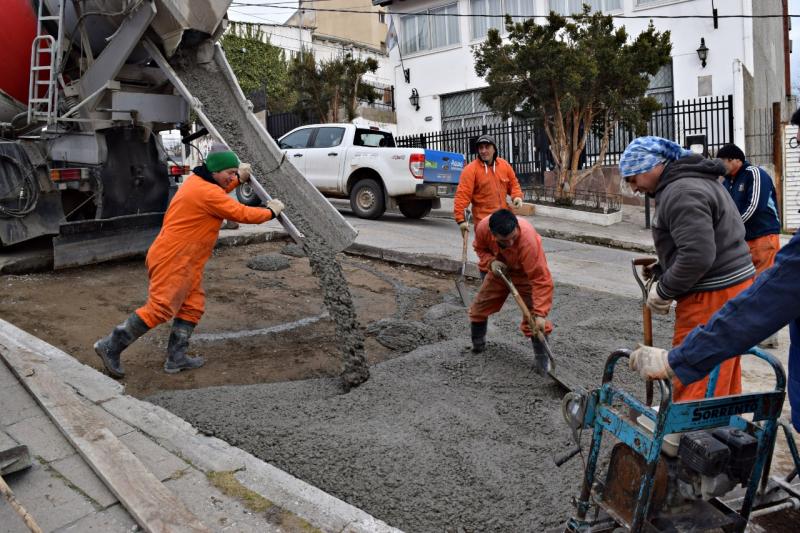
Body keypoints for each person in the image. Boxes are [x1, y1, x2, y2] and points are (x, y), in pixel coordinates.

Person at [94, 148, 284, 377]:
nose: (232, 178)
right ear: (215, 170)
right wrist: (270, 212)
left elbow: (218, 193)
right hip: (174, 259)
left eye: (235, 174)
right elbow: (240, 212)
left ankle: (176, 358)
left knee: (192, 306)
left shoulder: (200, 182)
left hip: (185, 260)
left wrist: (237, 180)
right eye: (230, 173)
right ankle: (110, 346)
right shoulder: (207, 192)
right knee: (160, 308)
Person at [619, 136, 756, 401]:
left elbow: (698, 255)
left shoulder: (681, 191)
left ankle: (691, 436)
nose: (634, 188)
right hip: (729, 284)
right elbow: (705, 240)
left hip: (712, 292)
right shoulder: (694, 181)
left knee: (694, 366)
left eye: (634, 179)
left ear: (653, 166)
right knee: (721, 367)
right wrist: (665, 267)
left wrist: (665, 289)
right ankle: (721, 429)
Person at [628, 230, 800, 430]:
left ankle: (692, 429)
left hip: (714, 291)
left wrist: (675, 360)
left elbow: (759, 307)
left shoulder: (681, 199)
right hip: (732, 284)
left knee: (700, 396)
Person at [469, 208, 554, 373]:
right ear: (493, 234)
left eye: (513, 238)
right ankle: (477, 346)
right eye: (504, 240)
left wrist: (541, 314)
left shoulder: (528, 241)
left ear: (517, 227)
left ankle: (543, 364)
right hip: (500, 270)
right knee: (479, 308)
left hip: (525, 275)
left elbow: (541, 279)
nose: (510, 244)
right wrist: (490, 262)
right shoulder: (483, 228)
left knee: (534, 321)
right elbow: (480, 248)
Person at [716, 143, 782, 347]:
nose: (721, 167)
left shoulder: (755, 174)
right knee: (746, 288)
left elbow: (755, 206)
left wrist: (732, 227)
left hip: (763, 238)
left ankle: (768, 336)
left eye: (722, 162)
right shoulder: (727, 181)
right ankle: (751, 332)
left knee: (764, 286)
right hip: (743, 241)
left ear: (734, 160)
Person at [453, 134, 524, 236]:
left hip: (504, 220)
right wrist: (461, 220)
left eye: (487, 147)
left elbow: (513, 184)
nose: (483, 151)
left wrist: (517, 196)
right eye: (481, 148)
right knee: (487, 251)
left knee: (508, 250)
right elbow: (462, 195)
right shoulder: (470, 170)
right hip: (485, 223)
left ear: (494, 149)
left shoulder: (504, 165)